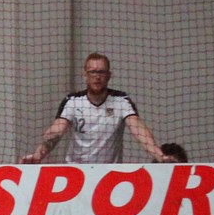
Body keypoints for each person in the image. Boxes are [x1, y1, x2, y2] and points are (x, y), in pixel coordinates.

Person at [21, 54, 171, 164]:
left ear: (109, 75)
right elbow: (56, 131)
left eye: (101, 72)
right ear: (85, 75)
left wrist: (160, 157)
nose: (97, 77)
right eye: (92, 72)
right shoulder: (72, 101)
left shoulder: (121, 101)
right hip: (76, 170)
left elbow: (139, 130)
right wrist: (37, 156)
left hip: (109, 173)